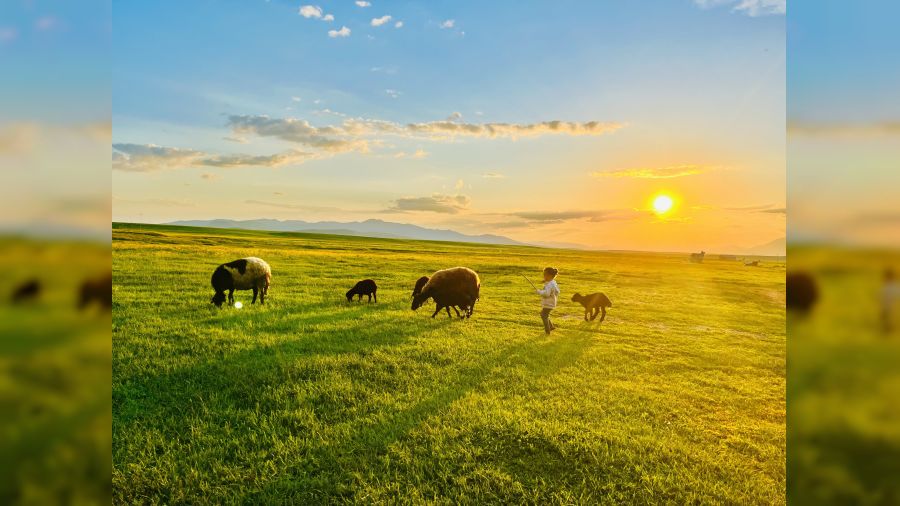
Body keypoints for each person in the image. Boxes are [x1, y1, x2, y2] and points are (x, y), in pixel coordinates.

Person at [536, 267, 560, 335]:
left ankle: (547, 331)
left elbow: (546, 294)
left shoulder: (549, 285)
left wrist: (539, 292)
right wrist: (545, 282)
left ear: (549, 276)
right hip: (552, 302)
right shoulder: (553, 282)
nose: (543, 276)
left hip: (548, 303)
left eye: (544, 275)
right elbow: (557, 291)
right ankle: (551, 327)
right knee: (544, 314)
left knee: (544, 315)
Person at [882, 268, 899, 333]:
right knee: (887, 321)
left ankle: (889, 330)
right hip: (887, 307)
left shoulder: (894, 286)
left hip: (893, 308)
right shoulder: (886, 286)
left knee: (890, 320)